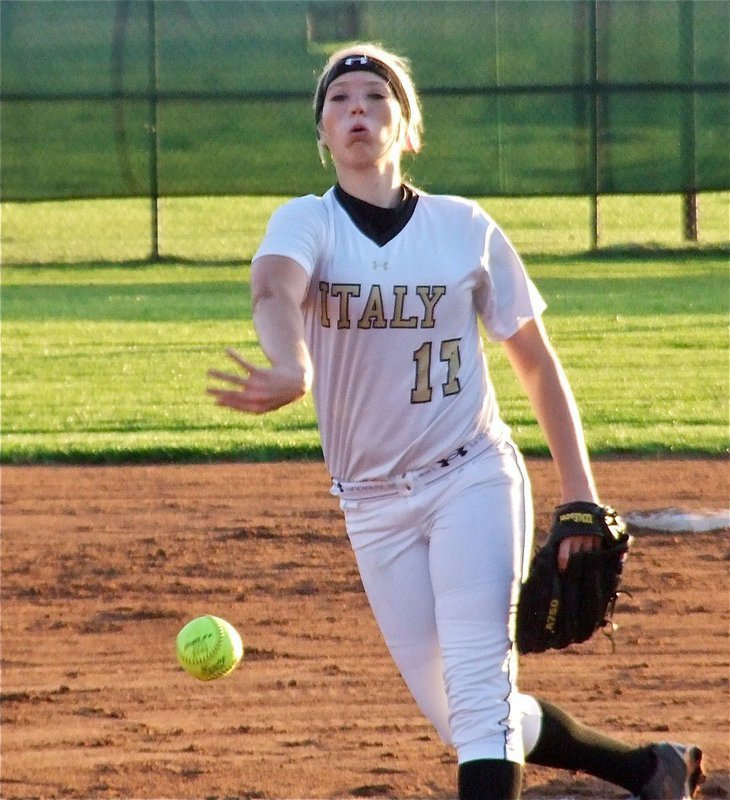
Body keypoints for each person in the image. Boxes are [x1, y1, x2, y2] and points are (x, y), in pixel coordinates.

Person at [207, 43, 705, 800]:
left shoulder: (463, 227)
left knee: (477, 695)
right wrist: (292, 364)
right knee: (462, 714)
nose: (357, 110)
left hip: (470, 477)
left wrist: (580, 493)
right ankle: (648, 768)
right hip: (371, 504)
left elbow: (535, 362)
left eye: (376, 97)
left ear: (408, 129)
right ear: (323, 135)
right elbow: (275, 290)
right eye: (339, 102)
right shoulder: (306, 222)